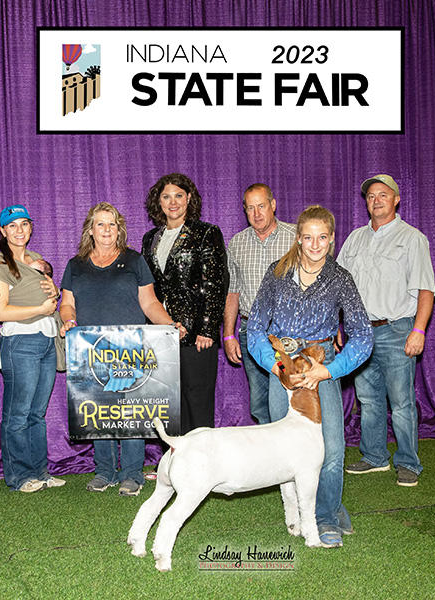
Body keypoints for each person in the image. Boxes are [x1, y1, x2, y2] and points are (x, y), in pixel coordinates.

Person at [248, 205, 373, 548]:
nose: (315, 244)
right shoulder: (277, 272)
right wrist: (275, 366)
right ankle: (294, 514)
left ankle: (326, 514)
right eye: (308, 237)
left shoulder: (341, 278)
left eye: (322, 237)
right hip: (283, 364)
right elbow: (255, 327)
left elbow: (363, 336)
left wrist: (329, 371)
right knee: (284, 448)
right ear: (298, 239)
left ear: (332, 239)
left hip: (320, 366)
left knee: (330, 447)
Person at [60, 202, 186, 496]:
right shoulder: (75, 265)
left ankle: (132, 473)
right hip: (91, 350)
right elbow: (67, 303)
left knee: (132, 409)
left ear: (119, 230)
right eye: (100, 224)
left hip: (130, 348)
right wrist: (69, 321)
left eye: (112, 224)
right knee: (98, 408)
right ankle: (104, 471)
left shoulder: (134, 260)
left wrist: (170, 325)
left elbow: (149, 302)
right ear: (90, 230)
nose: (106, 229)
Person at [338, 175, 435, 487]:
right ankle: (374, 456)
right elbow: (340, 285)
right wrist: (339, 324)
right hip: (360, 332)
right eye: (371, 196)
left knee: (402, 402)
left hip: (397, 329)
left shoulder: (412, 239)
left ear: (396, 199)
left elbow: (426, 289)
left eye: (383, 194)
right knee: (368, 399)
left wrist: (418, 330)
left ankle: (408, 462)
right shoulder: (355, 239)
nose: (376, 200)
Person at [0, 204, 65, 493]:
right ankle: (20, 476)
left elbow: (48, 295)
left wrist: (54, 293)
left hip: (46, 339)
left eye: (24, 224)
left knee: (37, 413)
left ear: (30, 227)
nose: (19, 230)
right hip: (20, 340)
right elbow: (0, 312)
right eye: (12, 225)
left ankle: (40, 471)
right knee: (18, 413)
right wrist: (41, 309)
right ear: (3, 231)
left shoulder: (37, 259)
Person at [142, 173, 228, 434]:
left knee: (197, 400)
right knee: (167, 401)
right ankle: (173, 457)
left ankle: (201, 458)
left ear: (189, 198)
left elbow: (216, 283)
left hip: (195, 334)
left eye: (179, 195)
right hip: (161, 333)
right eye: (166, 196)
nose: (173, 202)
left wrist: (207, 329)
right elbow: (149, 287)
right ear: (159, 201)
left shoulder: (206, 233)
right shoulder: (150, 238)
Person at [222, 183, 296, 424]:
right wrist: (229, 334)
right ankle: (269, 444)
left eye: (261, 206)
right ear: (245, 210)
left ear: (273, 205)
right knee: (259, 401)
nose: (257, 214)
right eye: (250, 208)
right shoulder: (237, 243)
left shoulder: (296, 237)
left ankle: (290, 445)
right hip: (251, 331)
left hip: (289, 331)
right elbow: (232, 292)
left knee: (289, 395)